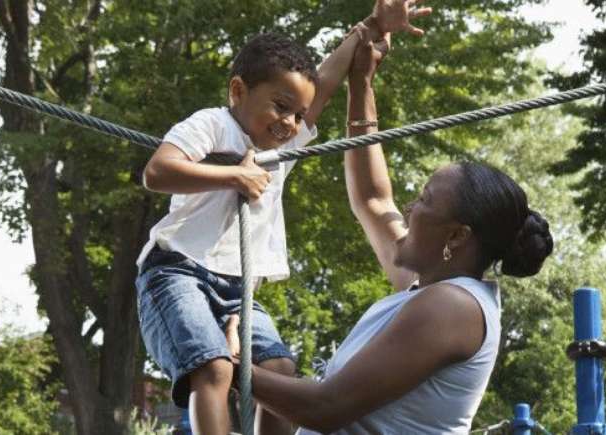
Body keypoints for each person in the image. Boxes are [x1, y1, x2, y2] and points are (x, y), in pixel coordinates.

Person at [134, 2, 433, 435]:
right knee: (215, 369)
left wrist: (369, 26)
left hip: (237, 288)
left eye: (298, 114)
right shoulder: (212, 125)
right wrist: (233, 174)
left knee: (279, 368)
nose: (291, 122)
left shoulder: (281, 148)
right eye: (280, 106)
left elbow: (325, 82)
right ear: (238, 91)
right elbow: (157, 172)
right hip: (177, 272)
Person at [246, 21, 555, 434]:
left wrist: (224, 363)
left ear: (457, 235)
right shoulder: (428, 284)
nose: (410, 208)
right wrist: (362, 84)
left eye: (425, 200)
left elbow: (327, 407)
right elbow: (374, 198)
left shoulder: (453, 307)